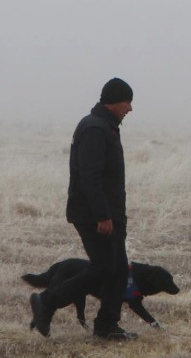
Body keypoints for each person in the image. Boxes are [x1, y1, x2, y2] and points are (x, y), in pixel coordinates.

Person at [30, 78, 137, 340]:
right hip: (94, 215)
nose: (131, 108)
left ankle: (107, 326)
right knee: (103, 268)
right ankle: (46, 301)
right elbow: (89, 176)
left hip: (110, 214)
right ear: (113, 101)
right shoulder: (95, 129)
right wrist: (102, 214)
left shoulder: (106, 126)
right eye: (127, 101)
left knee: (119, 269)